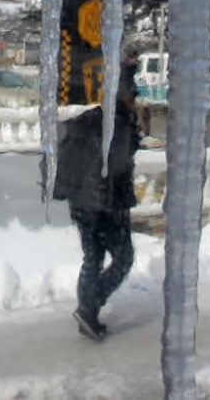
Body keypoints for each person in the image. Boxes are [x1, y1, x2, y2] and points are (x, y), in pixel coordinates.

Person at [53, 59, 144, 341]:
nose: (135, 98)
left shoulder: (94, 118)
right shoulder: (118, 124)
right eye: (133, 93)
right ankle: (89, 307)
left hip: (81, 202)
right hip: (104, 205)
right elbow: (117, 165)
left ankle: (87, 315)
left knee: (92, 258)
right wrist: (136, 134)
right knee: (124, 258)